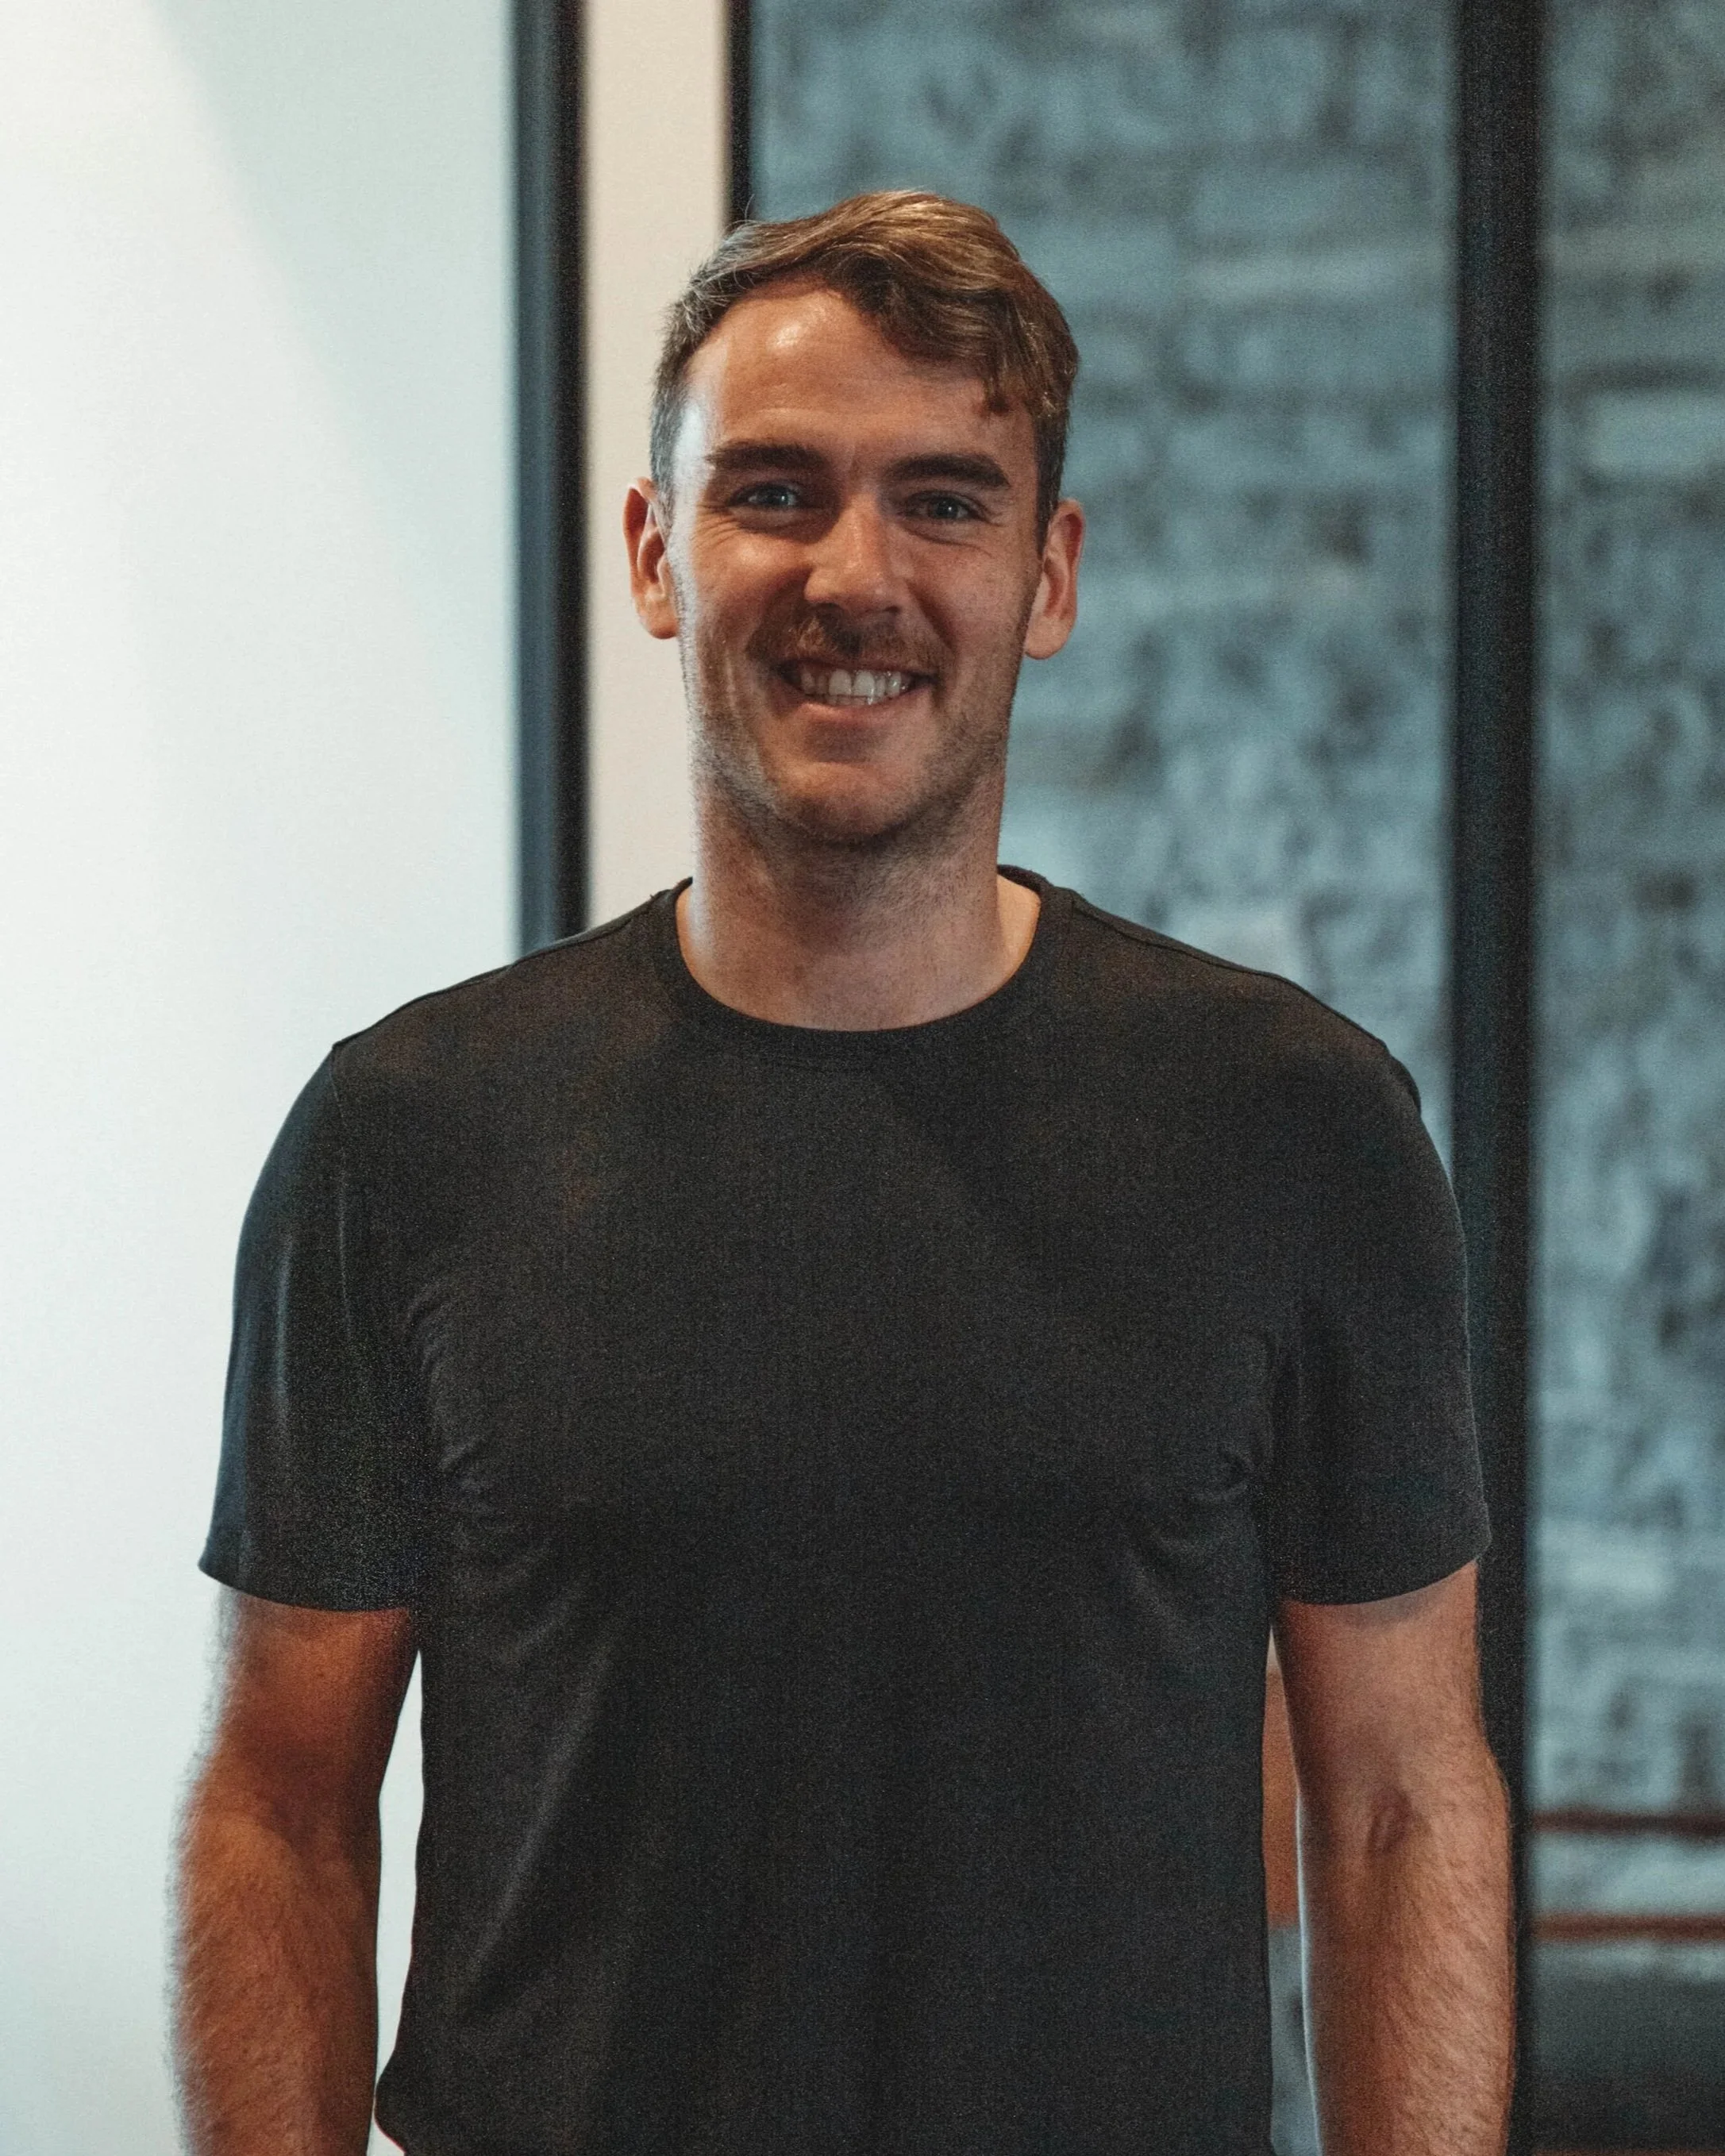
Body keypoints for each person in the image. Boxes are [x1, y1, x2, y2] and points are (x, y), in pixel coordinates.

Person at [174, 191, 1512, 2156]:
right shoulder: (408, 1137)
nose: (856, 575)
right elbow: (279, 1801)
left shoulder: (1298, 1129)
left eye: (947, 502)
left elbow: (1402, 1796)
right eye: (775, 492)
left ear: (1050, 575)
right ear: (657, 550)